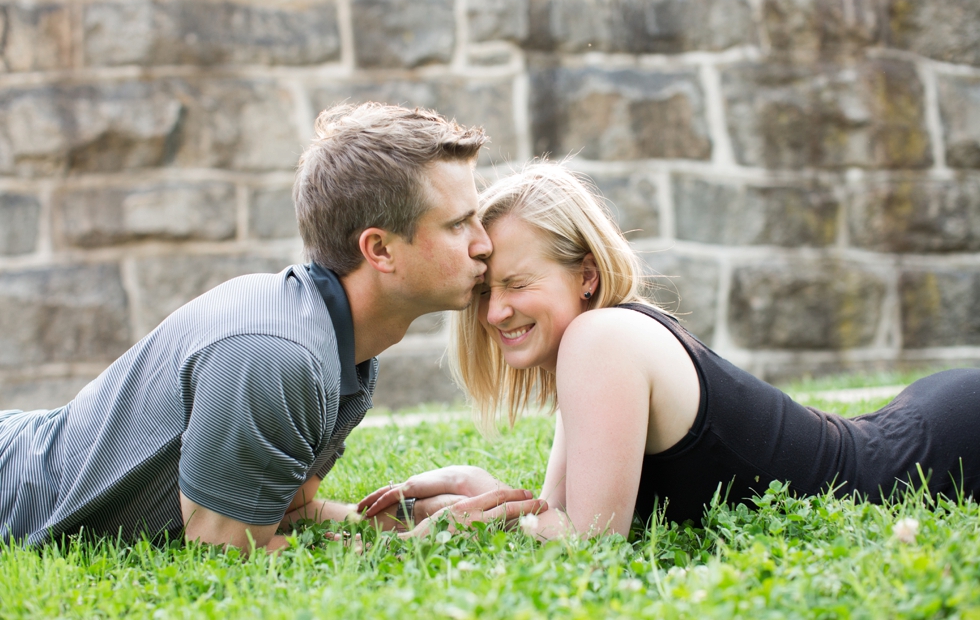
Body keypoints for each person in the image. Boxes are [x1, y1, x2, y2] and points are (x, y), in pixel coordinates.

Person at [0, 103, 544, 551]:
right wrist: (415, 547)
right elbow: (222, 550)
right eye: (458, 224)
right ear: (379, 249)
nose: (484, 242)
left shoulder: (341, 341)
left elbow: (287, 508)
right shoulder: (276, 354)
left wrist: (392, 518)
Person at [359, 162, 980, 540]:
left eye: (520, 285)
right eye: (489, 291)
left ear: (587, 278)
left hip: (941, 444)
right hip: (920, 418)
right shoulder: (598, 343)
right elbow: (565, 516)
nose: (496, 312)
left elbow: (588, 548)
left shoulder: (600, 339)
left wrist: (481, 522)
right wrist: (482, 489)